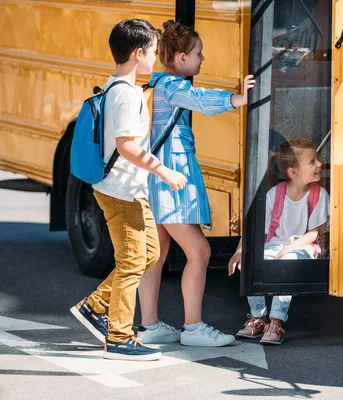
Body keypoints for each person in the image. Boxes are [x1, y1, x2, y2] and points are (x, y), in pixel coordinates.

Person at [69, 19, 188, 361]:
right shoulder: (124, 94)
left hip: (128, 189)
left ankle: (95, 306)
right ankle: (119, 337)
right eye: (152, 51)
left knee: (149, 254)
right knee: (133, 261)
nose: (155, 56)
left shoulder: (122, 88)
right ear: (139, 54)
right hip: (121, 191)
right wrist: (163, 170)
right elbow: (126, 146)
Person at [135, 20, 255, 347]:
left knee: (157, 255)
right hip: (169, 184)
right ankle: (193, 327)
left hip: (156, 180)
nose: (203, 59)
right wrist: (237, 100)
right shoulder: (173, 87)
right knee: (199, 251)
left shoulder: (158, 85)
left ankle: (149, 325)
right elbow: (200, 98)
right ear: (181, 58)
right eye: (198, 53)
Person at [228, 138, 330, 345]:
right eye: (312, 161)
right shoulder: (276, 193)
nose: (319, 164)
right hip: (276, 244)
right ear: (294, 172)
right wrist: (240, 252)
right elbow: (254, 229)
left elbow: (313, 234)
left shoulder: (319, 195)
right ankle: (259, 316)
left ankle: (277, 320)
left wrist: (288, 249)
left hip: (304, 246)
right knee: (253, 261)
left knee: (287, 263)